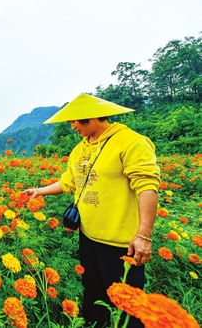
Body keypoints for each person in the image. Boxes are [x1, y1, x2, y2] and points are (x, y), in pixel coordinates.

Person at [25, 93, 160, 327]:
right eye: (70, 121)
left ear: (94, 117)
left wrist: (143, 235)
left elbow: (147, 187)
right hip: (88, 236)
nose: (73, 126)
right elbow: (69, 181)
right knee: (94, 296)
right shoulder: (79, 149)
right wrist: (39, 190)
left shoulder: (130, 142)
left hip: (122, 242)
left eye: (77, 120)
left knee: (129, 306)